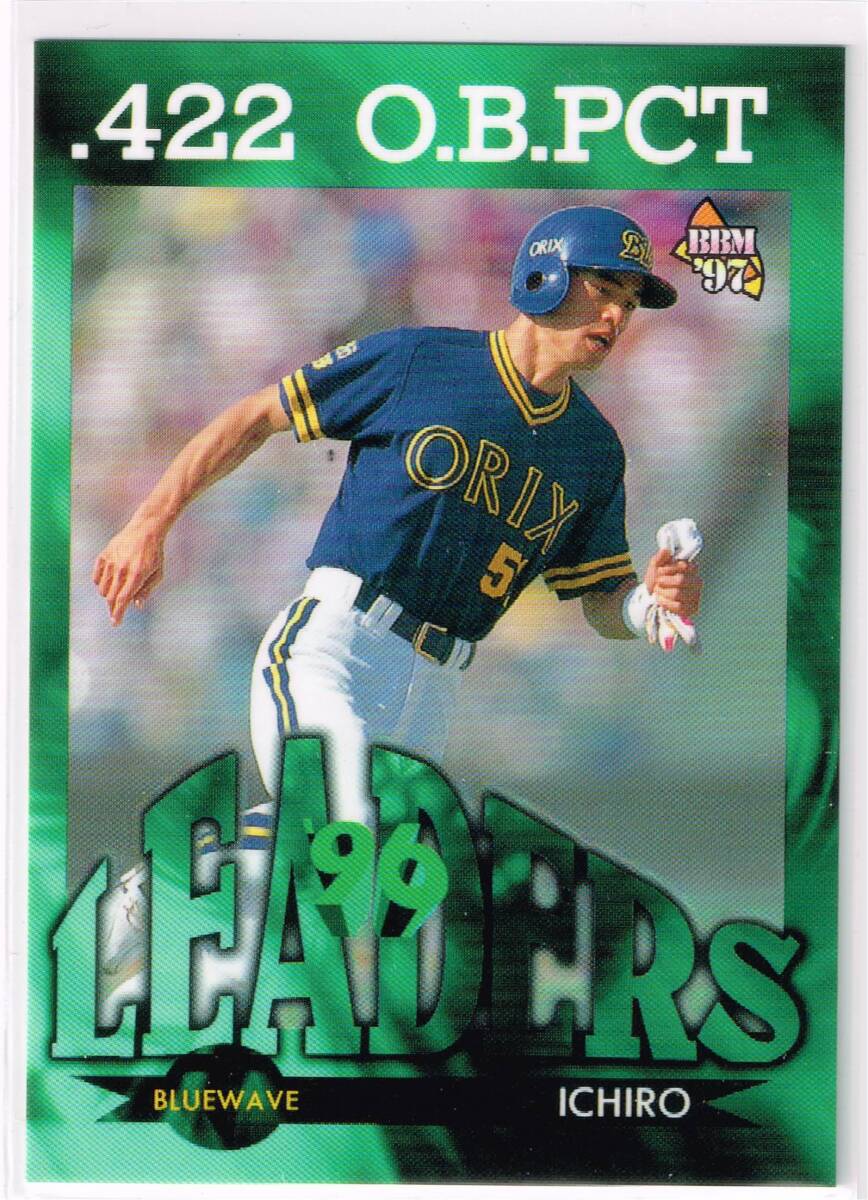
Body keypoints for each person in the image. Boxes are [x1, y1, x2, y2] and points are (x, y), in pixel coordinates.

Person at [93, 205, 702, 1012]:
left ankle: (169, 890)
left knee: (376, 880)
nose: (619, 315)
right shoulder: (422, 360)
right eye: (605, 287)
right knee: (353, 838)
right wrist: (150, 520)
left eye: (631, 300)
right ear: (546, 275)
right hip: (336, 642)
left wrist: (647, 606)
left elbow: (598, 596)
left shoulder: (593, 450)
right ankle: (277, 1017)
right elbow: (259, 415)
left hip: (433, 690)